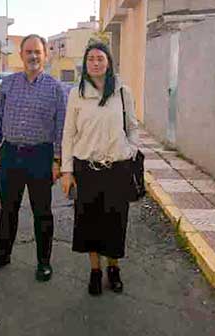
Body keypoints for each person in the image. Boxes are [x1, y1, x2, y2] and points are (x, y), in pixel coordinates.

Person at [0, 34, 67, 282]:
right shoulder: (8, 84)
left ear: (45, 55)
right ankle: (3, 254)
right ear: (20, 55)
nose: (33, 56)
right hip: (9, 153)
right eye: (28, 51)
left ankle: (44, 262)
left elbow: (61, 128)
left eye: (37, 52)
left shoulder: (55, 88)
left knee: (42, 212)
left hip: (40, 156)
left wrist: (57, 160)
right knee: (7, 208)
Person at [60, 42, 139, 295]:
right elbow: (68, 135)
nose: (95, 63)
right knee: (89, 223)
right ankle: (95, 271)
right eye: (91, 58)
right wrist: (67, 171)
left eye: (100, 58)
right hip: (87, 169)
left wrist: (131, 150)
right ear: (85, 63)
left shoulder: (123, 92)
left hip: (117, 168)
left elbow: (133, 126)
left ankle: (113, 269)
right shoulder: (77, 94)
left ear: (108, 63)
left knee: (115, 222)